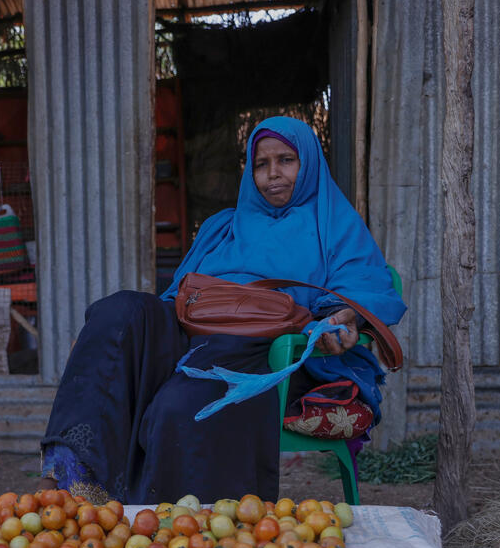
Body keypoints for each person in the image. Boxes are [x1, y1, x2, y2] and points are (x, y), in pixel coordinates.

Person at [38, 116, 406, 505]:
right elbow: (177, 296)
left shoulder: (333, 223)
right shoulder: (223, 227)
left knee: (179, 406)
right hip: (196, 331)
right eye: (261, 164)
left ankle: (171, 520)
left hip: (265, 348)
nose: (273, 174)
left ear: (309, 163)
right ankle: (69, 484)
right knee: (118, 311)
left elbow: (362, 282)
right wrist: (109, 336)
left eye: (286, 160)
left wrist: (341, 314)